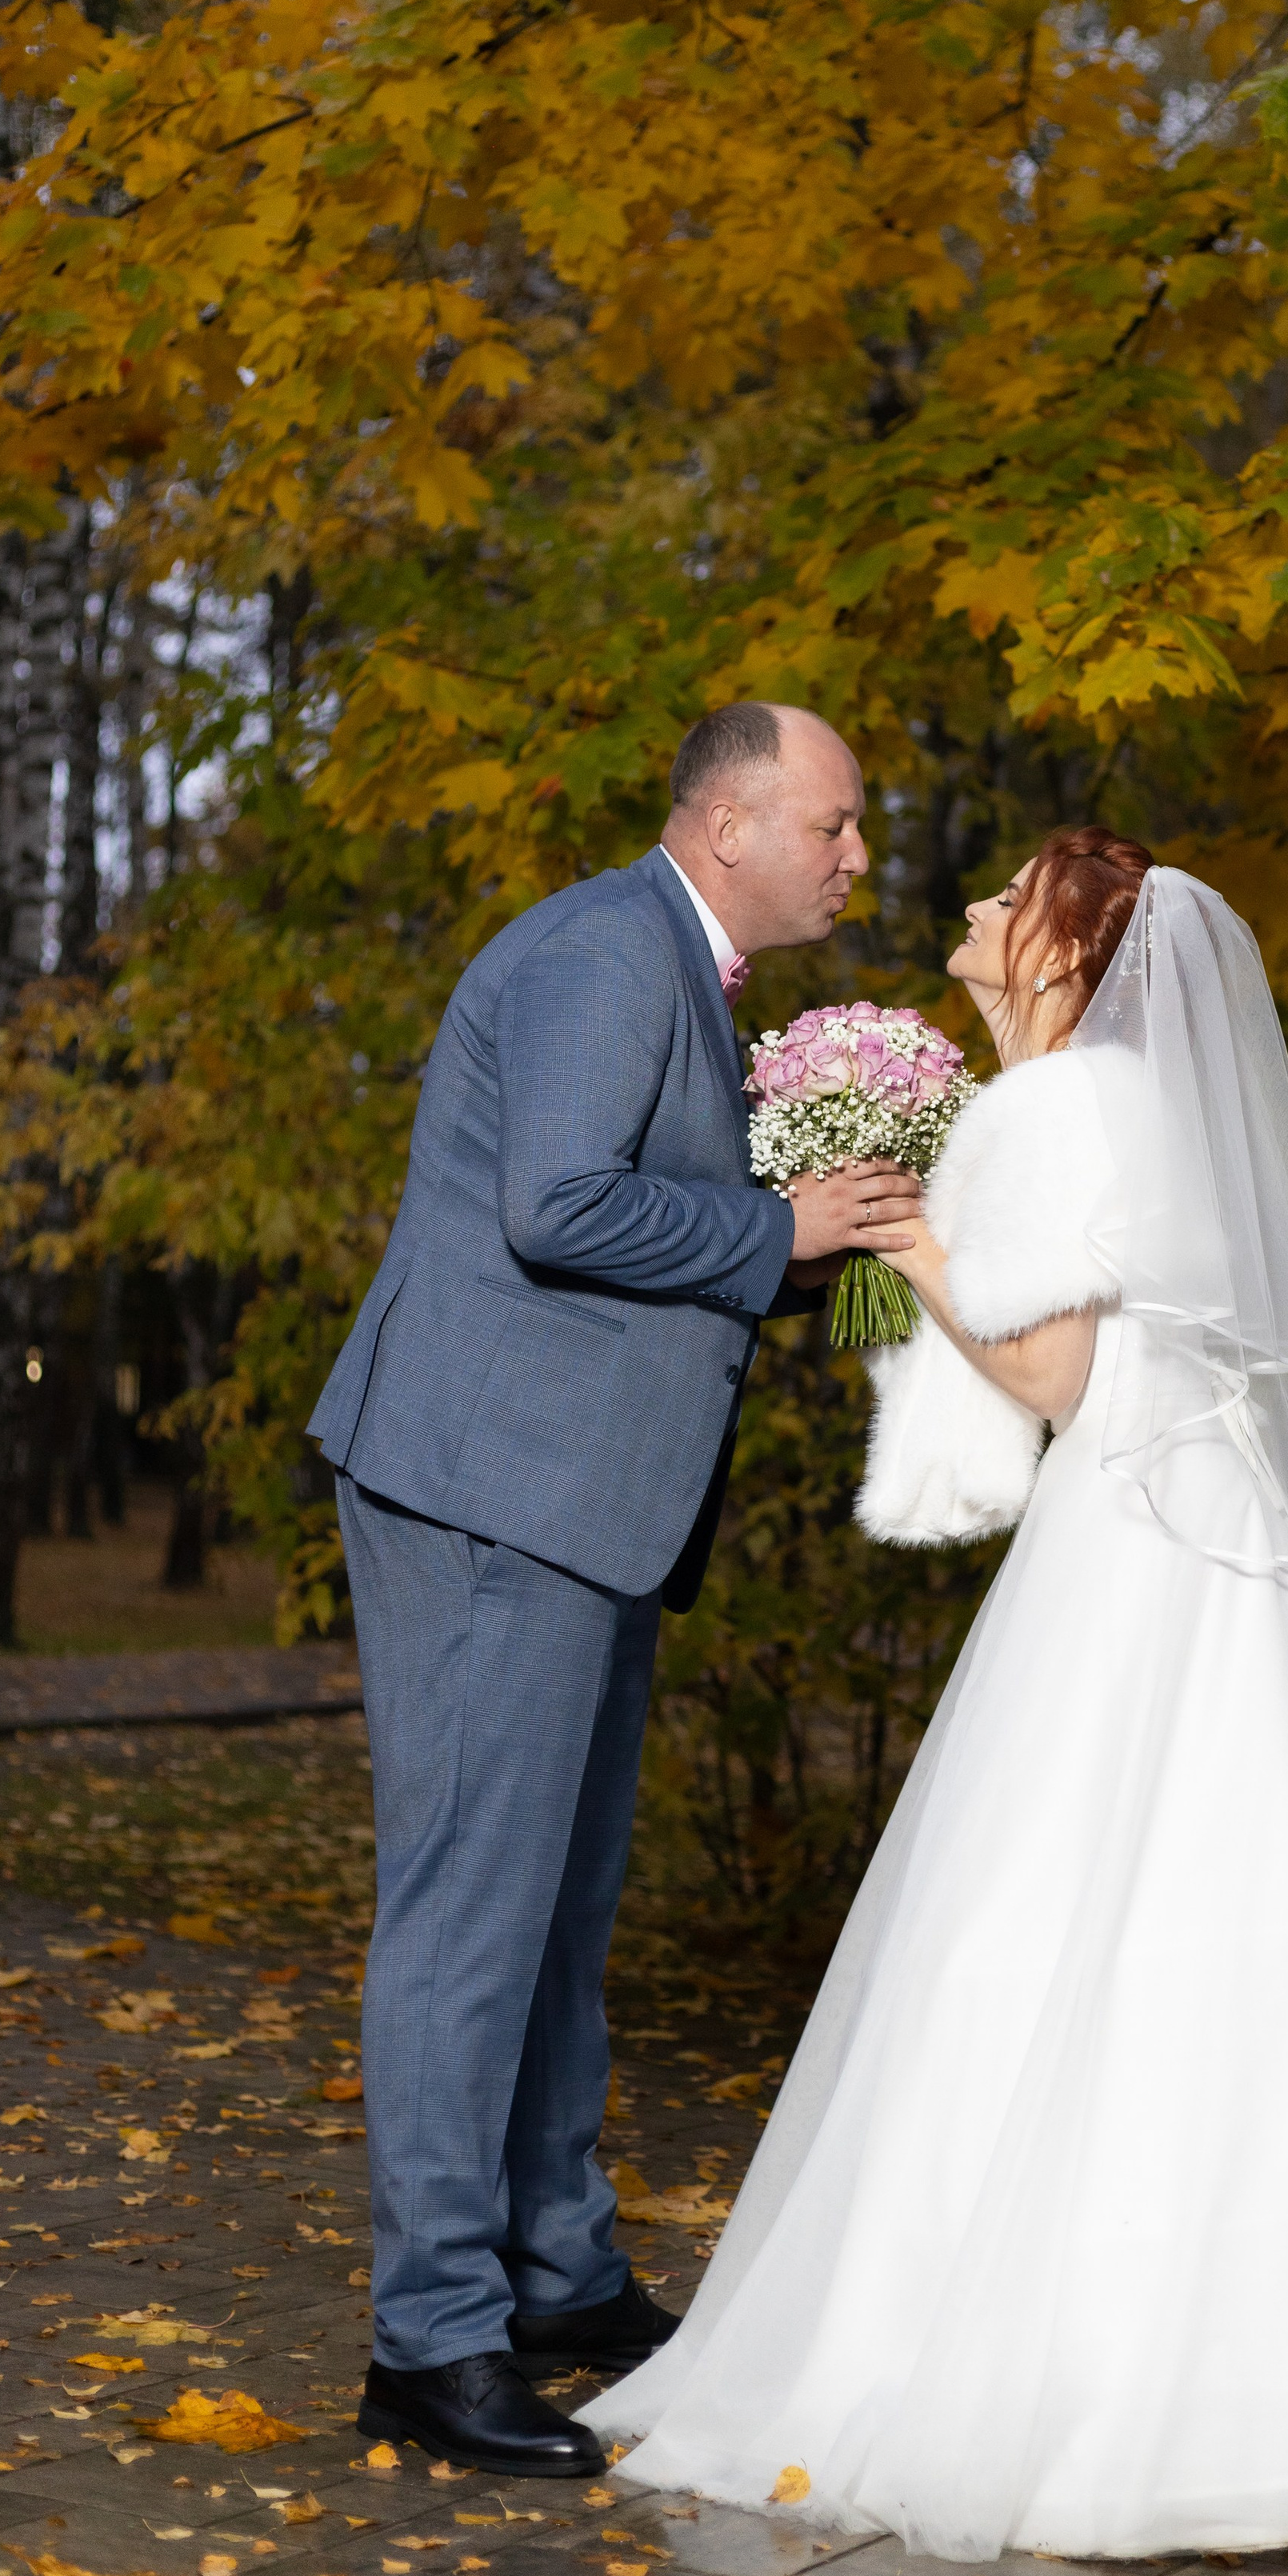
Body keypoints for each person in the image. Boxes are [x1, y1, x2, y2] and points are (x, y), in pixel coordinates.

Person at [584, 826, 1288, 2558]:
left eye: (998, 895)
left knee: (1058, 1921)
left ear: (1056, 948)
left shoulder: (1056, 1107)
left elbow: (1056, 1368)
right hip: (1186, 1541)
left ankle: (1059, 2386)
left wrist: (903, 1229)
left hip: (1126, 1555)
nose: (961, 905)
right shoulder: (1115, 1099)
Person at [306, 702, 921, 2481]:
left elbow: (647, 1222)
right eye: (835, 824)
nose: (856, 856)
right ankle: (429, 2344)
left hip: (582, 1506)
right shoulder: (601, 951)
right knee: (468, 1918)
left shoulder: (673, 958)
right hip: (494, 1492)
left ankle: (556, 2277)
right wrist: (778, 1236)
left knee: (559, 1921)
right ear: (727, 826)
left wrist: (824, 1241)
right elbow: (556, 1207)